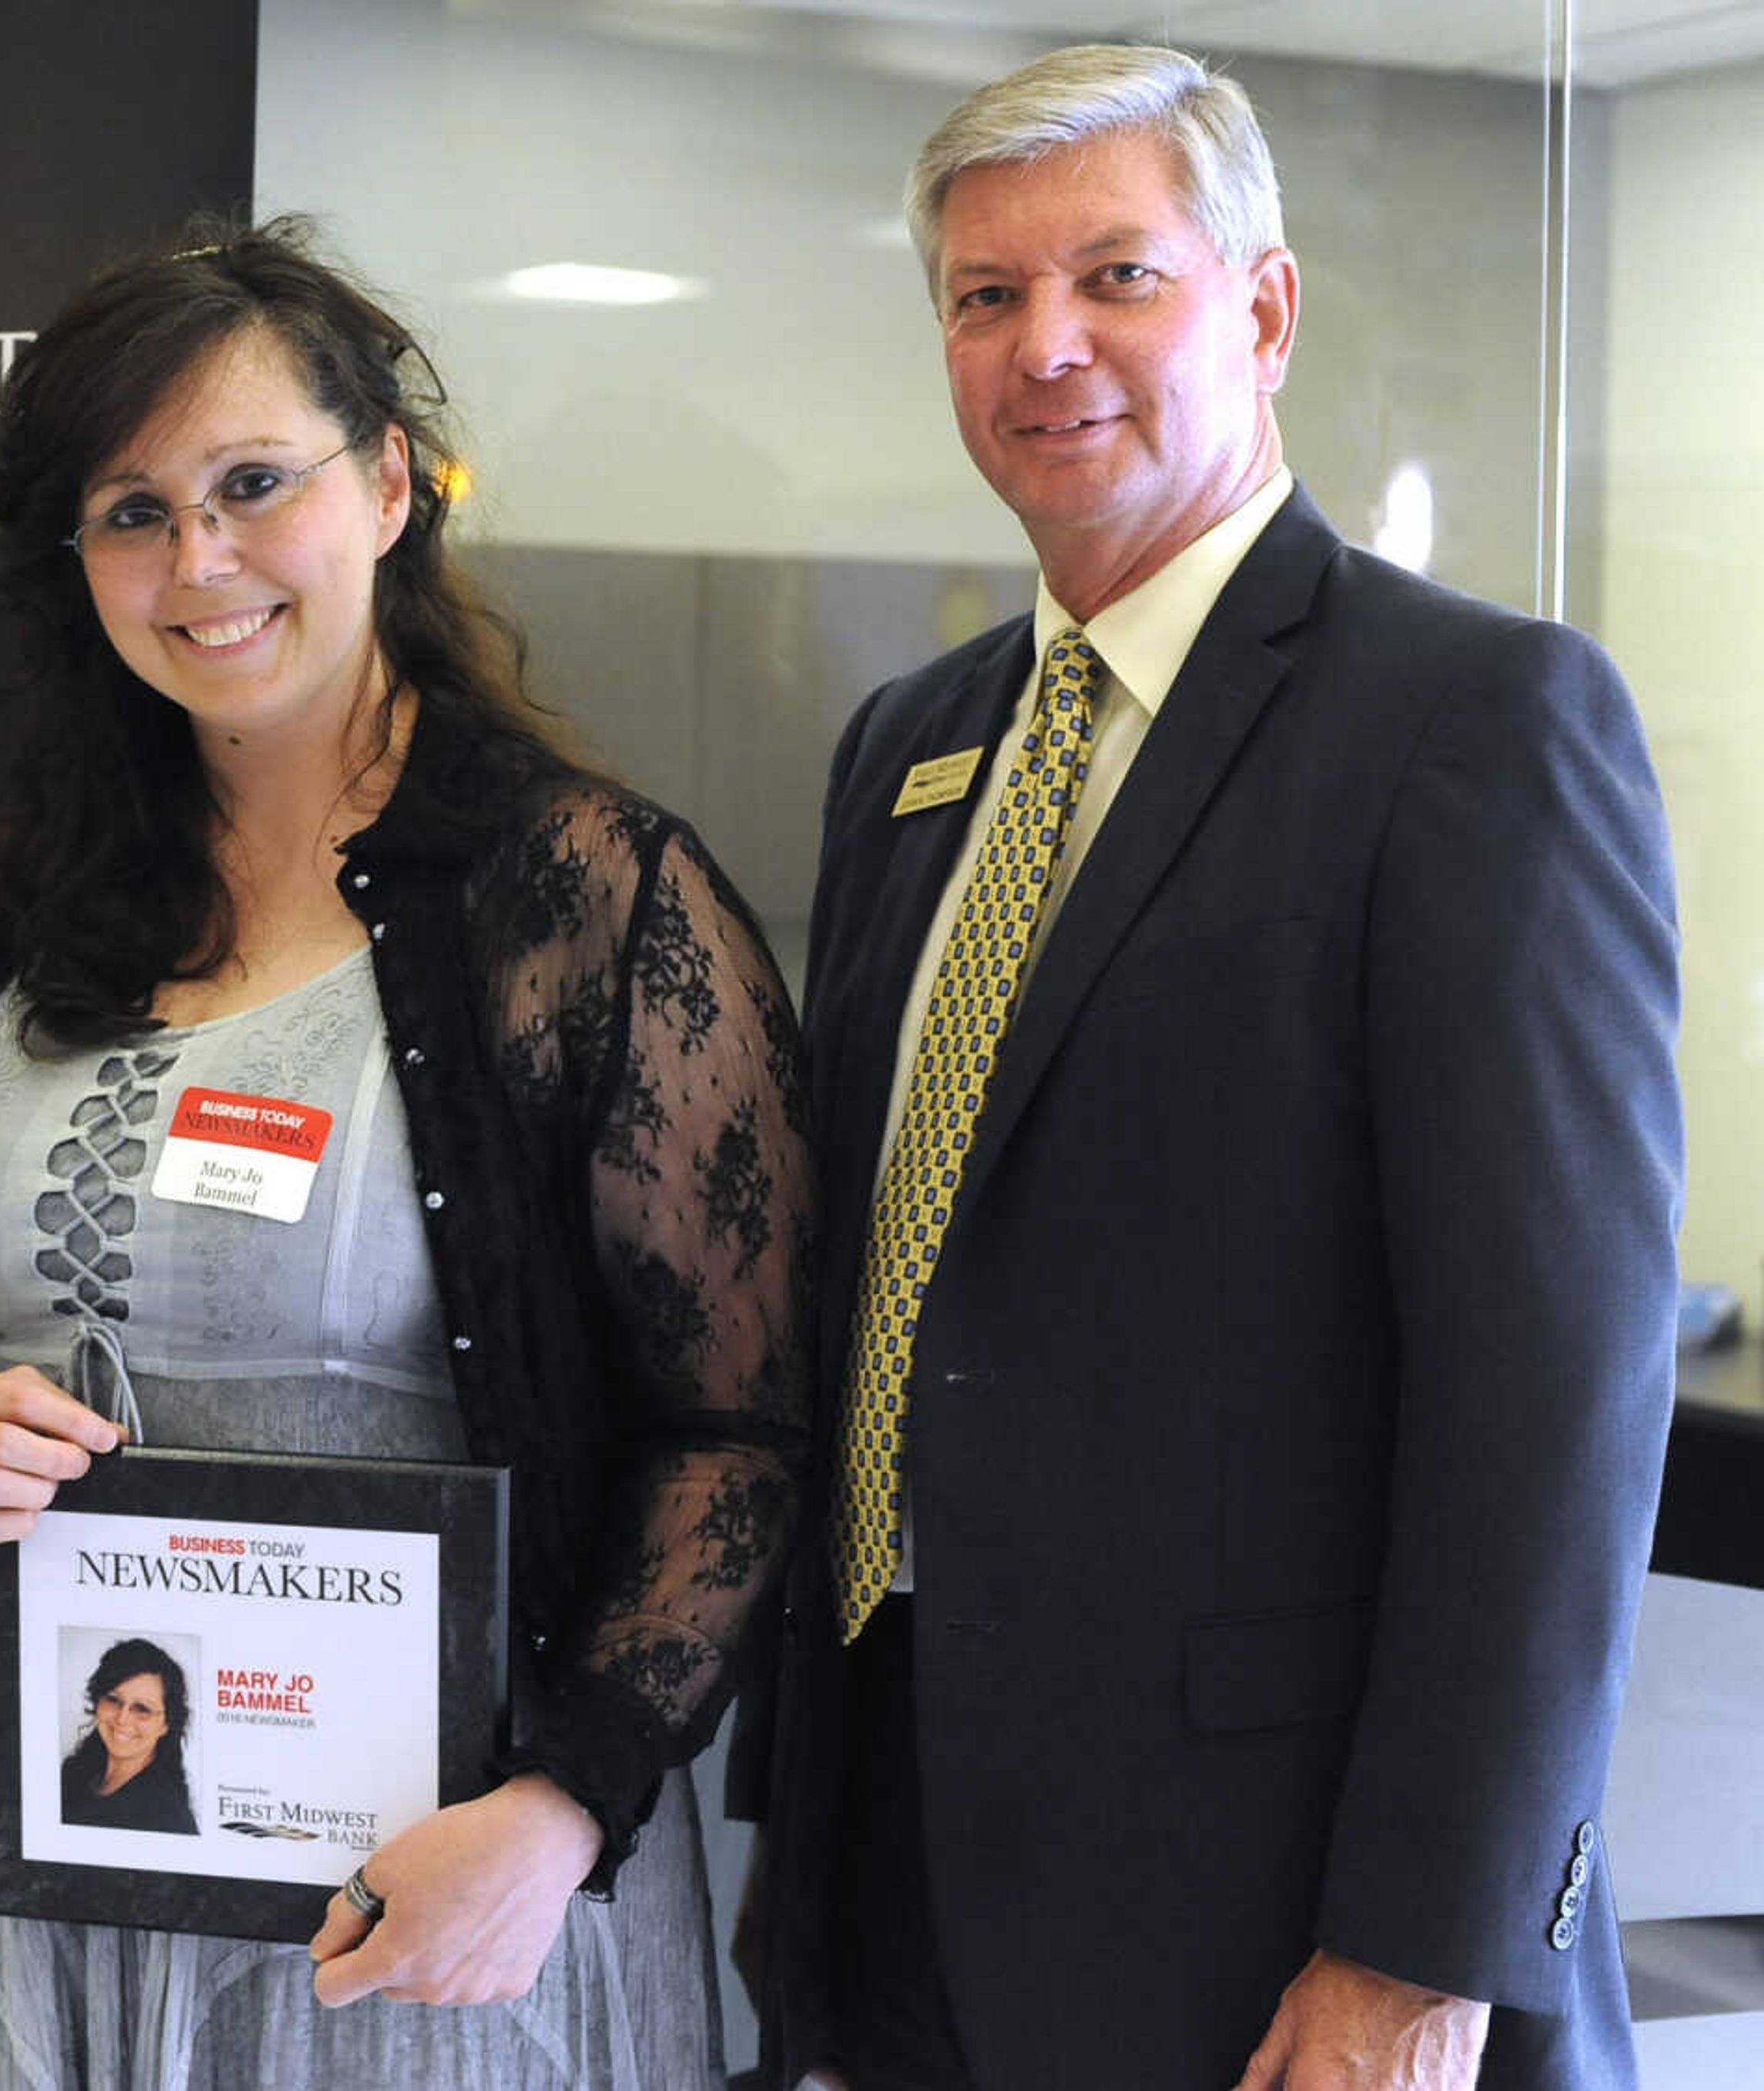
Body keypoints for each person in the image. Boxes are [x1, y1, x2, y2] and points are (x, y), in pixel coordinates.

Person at [0, 216, 814, 2087]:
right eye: (129, 511)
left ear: (391, 483)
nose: (199, 563)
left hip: (429, 1884)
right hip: (19, 1842)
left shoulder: (579, 902)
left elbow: (735, 1426)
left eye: (255, 483)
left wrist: (567, 1802)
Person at [738, 43, 1683, 2091]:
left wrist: (1422, 1948)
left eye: (1116, 278)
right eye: (986, 298)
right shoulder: (913, 743)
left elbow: (1553, 1404)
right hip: (903, 1832)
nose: (1045, 346)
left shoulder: (1473, 723)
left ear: (1260, 308)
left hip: (1271, 1901)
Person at [59, 1637, 199, 1835]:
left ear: (167, 1724)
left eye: (142, 1709)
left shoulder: (169, 1818)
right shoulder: (72, 1772)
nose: (122, 1719)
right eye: (113, 1700)